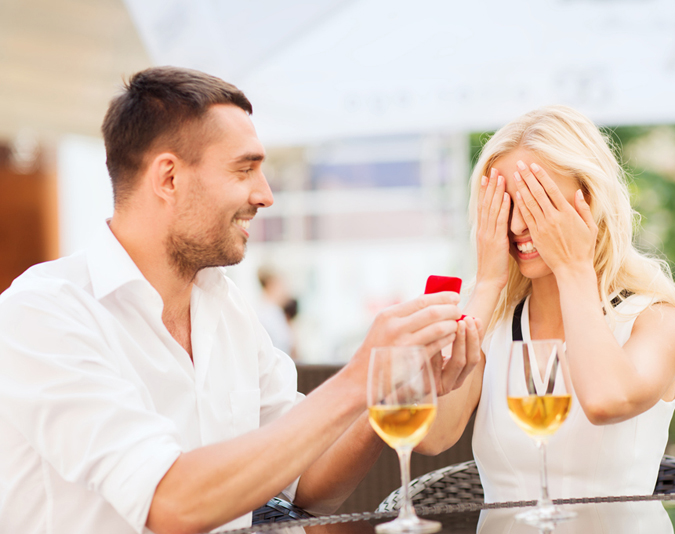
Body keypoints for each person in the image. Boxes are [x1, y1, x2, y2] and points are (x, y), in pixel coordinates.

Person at [0, 66, 481, 534]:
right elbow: (171, 506)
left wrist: (384, 396)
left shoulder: (223, 306)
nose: (265, 195)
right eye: (244, 169)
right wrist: (356, 379)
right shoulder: (45, 314)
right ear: (168, 178)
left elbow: (310, 485)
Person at [417, 105, 675, 501]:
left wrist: (574, 266)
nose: (518, 226)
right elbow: (431, 435)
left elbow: (606, 401)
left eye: (537, 203)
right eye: (505, 205)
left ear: (589, 201)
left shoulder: (655, 319)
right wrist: (487, 283)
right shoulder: (491, 322)